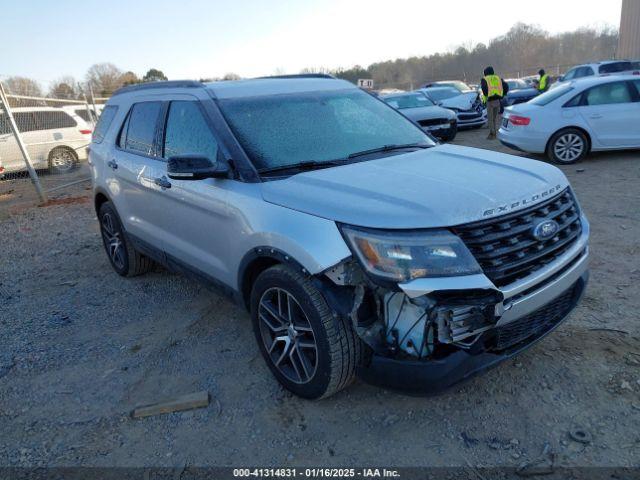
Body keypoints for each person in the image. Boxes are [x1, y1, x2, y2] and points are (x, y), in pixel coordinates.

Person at [480, 66, 509, 140]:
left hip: (490, 101)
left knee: (490, 118)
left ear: (485, 72)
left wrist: (486, 96)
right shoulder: (497, 78)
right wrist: (502, 95)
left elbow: (484, 91)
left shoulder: (485, 79)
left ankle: (492, 134)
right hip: (497, 100)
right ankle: (495, 132)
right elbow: (506, 86)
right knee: (495, 118)